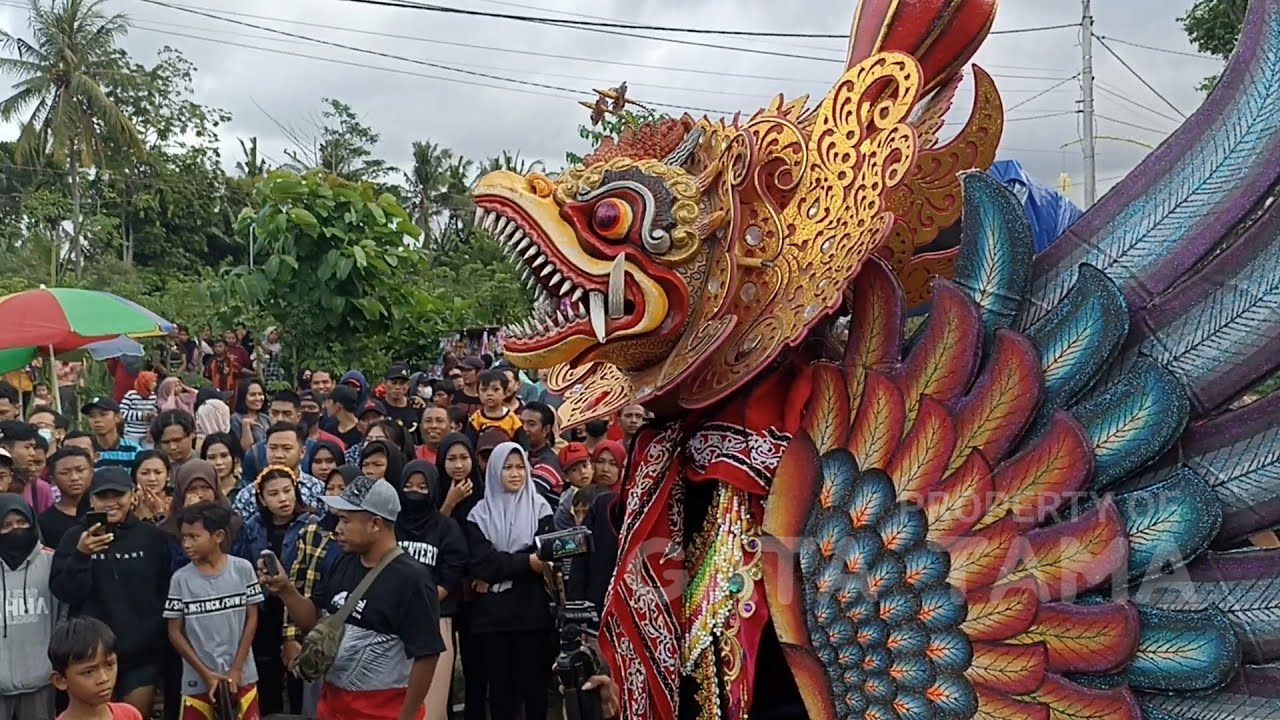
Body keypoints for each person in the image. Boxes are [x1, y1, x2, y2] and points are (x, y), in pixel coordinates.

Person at [257, 476, 444, 720]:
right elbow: (315, 619)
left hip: (382, 712)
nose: (337, 529)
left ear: (375, 524)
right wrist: (285, 590)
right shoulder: (343, 560)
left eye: (345, 520)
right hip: (332, 707)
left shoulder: (412, 580)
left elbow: (427, 655)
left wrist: (407, 716)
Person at [50, 467, 172, 717]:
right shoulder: (75, 536)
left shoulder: (150, 536)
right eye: (103, 496)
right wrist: (82, 556)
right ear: (91, 499)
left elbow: (165, 591)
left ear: (132, 496)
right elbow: (65, 592)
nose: (111, 503)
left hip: (141, 654)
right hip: (90, 657)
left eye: (118, 495)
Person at [463, 442, 555, 720]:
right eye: (507, 468)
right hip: (492, 620)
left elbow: (545, 557)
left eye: (520, 467)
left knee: (535, 690)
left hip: (532, 616)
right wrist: (526, 562)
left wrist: (501, 567)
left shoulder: (541, 510)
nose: (515, 474)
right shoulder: (478, 515)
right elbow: (482, 563)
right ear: (493, 472)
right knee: (501, 692)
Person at [164, 502, 263, 720]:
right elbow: (174, 632)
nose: (186, 544)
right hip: (197, 682)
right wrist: (205, 674)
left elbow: (252, 618)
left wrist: (236, 669)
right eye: (183, 538)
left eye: (194, 537)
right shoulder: (181, 580)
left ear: (217, 536)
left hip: (242, 677)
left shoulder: (243, 569)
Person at [238, 465, 318, 715]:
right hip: (263, 612)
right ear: (261, 498)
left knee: (298, 681)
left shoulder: (311, 524)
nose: (283, 499)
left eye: (287, 491)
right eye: (273, 494)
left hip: (297, 611)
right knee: (267, 683)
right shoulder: (252, 526)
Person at [396, 461, 466, 720]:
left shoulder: (446, 528)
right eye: (409, 486)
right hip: (392, 621)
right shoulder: (392, 523)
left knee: (432, 707)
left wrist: (423, 602)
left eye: (423, 487)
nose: (415, 491)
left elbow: (452, 572)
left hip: (435, 618)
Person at [0, 495, 61, 720]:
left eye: (21, 523)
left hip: (40, 682)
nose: (15, 529)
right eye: (6, 525)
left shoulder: (52, 562)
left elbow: (63, 617)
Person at [47, 617, 146, 720]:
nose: (104, 678)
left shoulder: (130, 715)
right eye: (89, 672)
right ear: (60, 681)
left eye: (109, 665)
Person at [231, 423, 323, 521]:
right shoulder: (248, 494)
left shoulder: (318, 490)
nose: (278, 455)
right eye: (273, 448)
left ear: (302, 452)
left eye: (286, 448)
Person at [39, 447, 94, 546]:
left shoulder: (103, 511)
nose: (74, 477)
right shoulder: (45, 522)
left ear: (91, 473)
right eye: (64, 473)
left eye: (80, 470)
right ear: (52, 479)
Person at [0, 423, 54, 513]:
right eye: (27, 447)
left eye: (33, 447)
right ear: (4, 448)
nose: (32, 453)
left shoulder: (38, 489)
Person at [467, 370, 523, 443]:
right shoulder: (476, 419)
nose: (489, 394)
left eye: (496, 389)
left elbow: (522, 446)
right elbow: (470, 445)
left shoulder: (512, 419)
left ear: (505, 393)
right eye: (484, 390)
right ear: (478, 393)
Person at [554, 442, 593, 530]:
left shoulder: (589, 489)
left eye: (585, 466)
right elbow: (580, 524)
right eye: (574, 470)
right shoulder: (573, 495)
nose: (582, 472)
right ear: (566, 477)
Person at [382, 363, 425, 437]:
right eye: (394, 383)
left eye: (402, 383)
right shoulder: (380, 408)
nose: (398, 387)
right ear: (384, 383)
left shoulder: (416, 406)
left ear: (407, 385)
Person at [198, 432, 242, 503]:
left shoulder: (247, 490)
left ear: (235, 459)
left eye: (224, 456)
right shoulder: (199, 493)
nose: (219, 462)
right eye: (211, 457)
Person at [130, 451, 171, 524]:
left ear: (168, 475)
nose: (152, 478)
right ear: (135, 476)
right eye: (144, 473)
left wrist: (160, 513)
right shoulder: (128, 503)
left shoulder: (177, 503)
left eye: (158, 472)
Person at [229, 380, 268, 454]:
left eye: (260, 394)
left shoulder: (265, 418)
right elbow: (247, 449)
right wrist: (246, 426)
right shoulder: (235, 419)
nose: (258, 398)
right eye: (253, 395)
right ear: (243, 397)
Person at [118, 373, 158, 445]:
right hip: (132, 433)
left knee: (148, 454)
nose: (155, 384)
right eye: (152, 382)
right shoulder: (131, 395)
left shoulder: (153, 396)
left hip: (147, 434)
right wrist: (141, 415)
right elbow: (122, 413)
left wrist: (154, 414)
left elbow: (154, 409)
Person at [519, 402, 559, 470]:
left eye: (531, 424)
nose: (524, 428)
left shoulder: (549, 463)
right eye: (522, 423)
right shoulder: (520, 455)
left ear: (546, 429)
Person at [325, 385, 363, 450]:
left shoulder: (361, 431)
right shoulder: (329, 429)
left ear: (338, 405)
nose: (326, 406)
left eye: (329, 402)